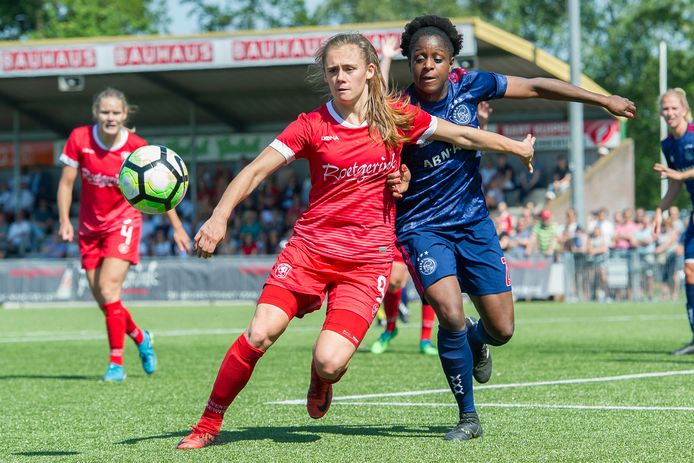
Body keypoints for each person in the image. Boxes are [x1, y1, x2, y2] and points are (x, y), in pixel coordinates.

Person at [176, 32, 534, 450]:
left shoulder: (396, 117)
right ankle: (207, 425)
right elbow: (256, 170)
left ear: (368, 72)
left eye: (348, 69)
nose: (339, 78)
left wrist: (515, 148)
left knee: (329, 361)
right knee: (259, 333)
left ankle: (320, 378)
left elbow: (464, 136)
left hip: (366, 262)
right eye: (332, 71)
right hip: (309, 251)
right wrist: (219, 216)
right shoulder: (311, 125)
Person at [379, 15, 636, 440]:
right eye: (419, 58)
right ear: (409, 62)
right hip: (422, 227)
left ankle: (478, 341)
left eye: (437, 58)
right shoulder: (397, 112)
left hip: (474, 224)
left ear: (451, 62)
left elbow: (536, 85)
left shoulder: (472, 84)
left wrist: (602, 99)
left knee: (502, 329)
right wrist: (398, 178)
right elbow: (387, 167)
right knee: (450, 313)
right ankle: (468, 417)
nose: (428, 65)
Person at [57, 87, 191, 382]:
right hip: (89, 227)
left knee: (108, 289)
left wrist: (177, 226)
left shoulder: (138, 147)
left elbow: (160, 190)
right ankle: (141, 337)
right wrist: (64, 220)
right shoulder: (79, 139)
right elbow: (66, 184)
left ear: (125, 114)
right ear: (96, 113)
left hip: (124, 222)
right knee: (105, 300)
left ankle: (116, 363)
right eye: (105, 112)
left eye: (116, 112)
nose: (110, 117)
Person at [652, 88, 694, 354]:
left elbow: (679, 178)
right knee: (689, 271)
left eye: (674, 108)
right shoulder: (667, 144)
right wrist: (659, 210)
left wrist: (680, 176)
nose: (669, 113)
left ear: (684, 109)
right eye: (665, 109)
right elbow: (675, 187)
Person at [370, 251, 438, 355]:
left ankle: (425, 339)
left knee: (428, 280)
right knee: (393, 281)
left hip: (424, 235)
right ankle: (390, 328)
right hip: (398, 235)